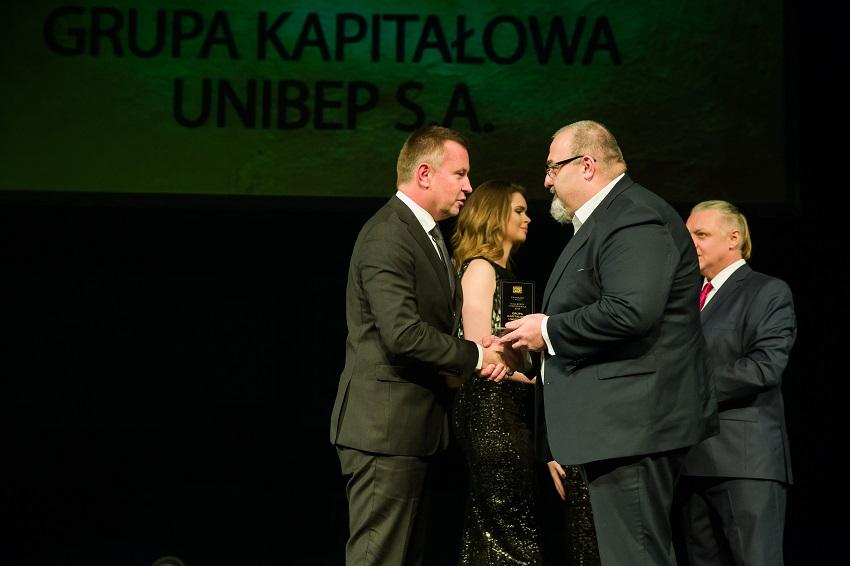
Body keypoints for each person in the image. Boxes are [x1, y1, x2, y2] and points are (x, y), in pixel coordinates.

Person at [499, 120, 718, 566]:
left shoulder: (633, 215)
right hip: (620, 426)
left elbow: (631, 311)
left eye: (552, 168)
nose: (547, 181)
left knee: (634, 555)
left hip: (633, 425)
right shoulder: (609, 219)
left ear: (587, 165)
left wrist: (547, 331)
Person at [329, 125, 515, 566]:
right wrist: (474, 356)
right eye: (460, 174)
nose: (468, 186)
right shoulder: (388, 233)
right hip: (385, 432)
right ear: (425, 174)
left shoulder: (424, 234)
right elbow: (402, 333)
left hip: (413, 432)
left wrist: (453, 365)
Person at [677, 200, 796, 566]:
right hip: (690, 462)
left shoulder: (766, 291)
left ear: (733, 239)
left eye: (700, 234)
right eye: (687, 235)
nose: (690, 244)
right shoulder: (685, 298)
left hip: (745, 464)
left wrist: (687, 388)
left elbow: (764, 366)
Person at [448, 180, 542, 564]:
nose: (528, 218)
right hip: (490, 408)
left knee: (494, 526)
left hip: (507, 406)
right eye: (518, 210)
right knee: (508, 527)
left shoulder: (502, 273)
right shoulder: (481, 269)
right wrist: (538, 378)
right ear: (494, 215)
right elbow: (481, 356)